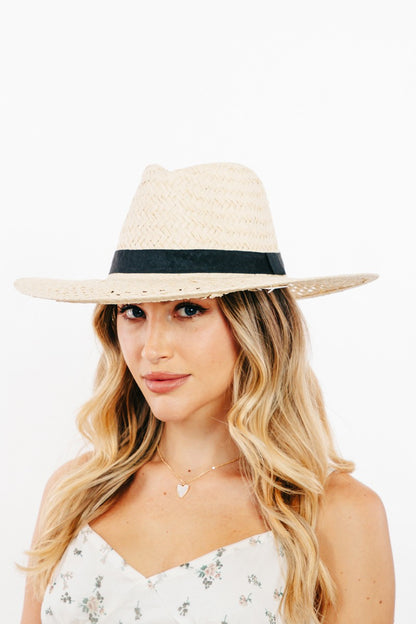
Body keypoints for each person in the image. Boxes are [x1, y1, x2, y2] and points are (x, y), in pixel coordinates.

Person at [16, 162, 395, 624]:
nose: (151, 348)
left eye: (188, 309)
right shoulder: (73, 493)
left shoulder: (336, 515)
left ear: (255, 326)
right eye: (133, 311)